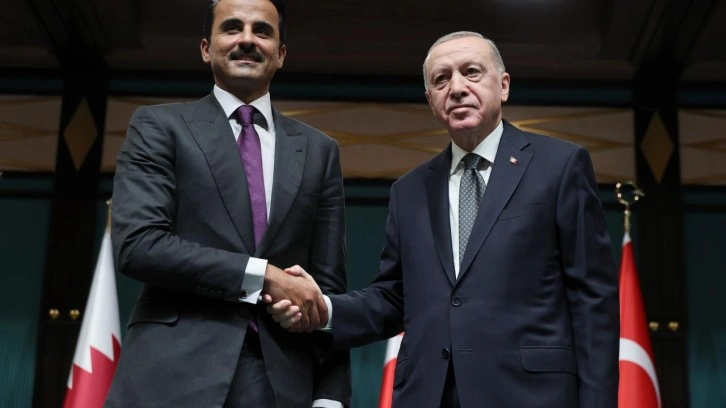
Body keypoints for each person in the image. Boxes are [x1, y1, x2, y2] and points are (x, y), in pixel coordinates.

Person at [268, 32, 619, 407]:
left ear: (503, 86)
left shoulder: (560, 166)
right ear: (431, 101)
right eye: (441, 79)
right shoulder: (409, 190)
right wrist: (325, 308)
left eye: (472, 72)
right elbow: (393, 298)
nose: (457, 88)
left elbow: (592, 300)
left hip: (531, 395)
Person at [105, 0, 350, 407]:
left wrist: (330, 397)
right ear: (206, 48)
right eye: (232, 27)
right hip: (171, 377)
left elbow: (327, 289)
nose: (247, 40)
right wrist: (263, 276)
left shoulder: (319, 150)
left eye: (262, 31)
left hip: (282, 382)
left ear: (281, 54)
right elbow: (139, 245)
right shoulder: (159, 127)